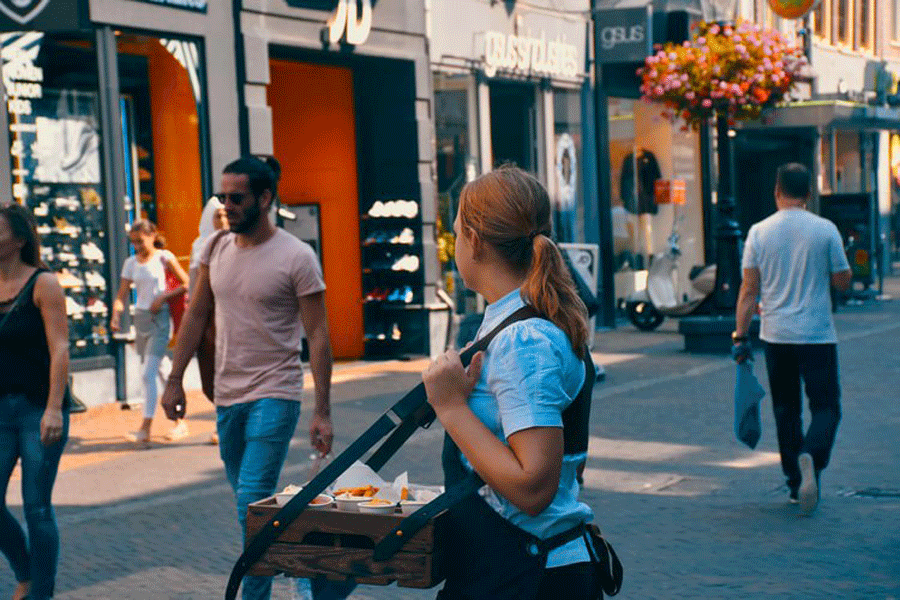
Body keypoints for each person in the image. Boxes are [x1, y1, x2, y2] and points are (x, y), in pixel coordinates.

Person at [160, 156, 346, 600]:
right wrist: (174, 379)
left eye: (237, 198)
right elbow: (196, 315)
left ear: (265, 198)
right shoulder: (214, 250)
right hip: (227, 396)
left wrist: (322, 410)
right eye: (223, 197)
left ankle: (257, 594)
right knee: (252, 508)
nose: (227, 206)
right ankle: (298, 563)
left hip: (275, 392)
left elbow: (318, 335)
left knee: (251, 499)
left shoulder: (297, 257)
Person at [423, 166, 599, 599]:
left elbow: (534, 487)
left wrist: (450, 407)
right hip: (516, 565)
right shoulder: (520, 322)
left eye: (459, 230)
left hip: (527, 573)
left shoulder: (524, 339)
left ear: (476, 241)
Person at [732, 163, 851, 515]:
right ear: (809, 194)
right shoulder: (825, 229)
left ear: (777, 190)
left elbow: (749, 290)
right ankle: (811, 456)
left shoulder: (758, 232)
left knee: (786, 410)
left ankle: (796, 486)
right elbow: (843, 281)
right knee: (827, 407)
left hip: (776, 335)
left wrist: (740, 335)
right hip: (817, 334)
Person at [0, 204, 69, 600]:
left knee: (37, 506)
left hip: (37, 408)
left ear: (20, 239)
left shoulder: (44, 284)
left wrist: (55, 408)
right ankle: (26, 572)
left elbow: (59, 349)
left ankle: (40, 592)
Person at [111, 219, 189, 445]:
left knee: (147, 374)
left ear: (153, 235)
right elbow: (122, 294)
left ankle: (145, 428)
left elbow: (187, 283)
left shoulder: (165, 257)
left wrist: (163, 297)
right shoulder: (130, 263)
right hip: (141, 318)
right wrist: (116, 315)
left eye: (141, 241)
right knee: (163, 369)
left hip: (160, 318)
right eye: (133, 242)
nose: (137, 246)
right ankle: (179, 421)